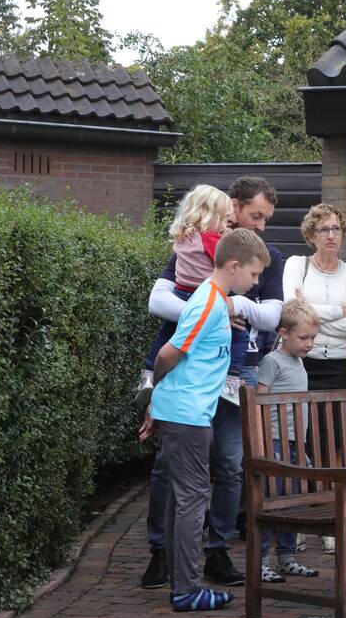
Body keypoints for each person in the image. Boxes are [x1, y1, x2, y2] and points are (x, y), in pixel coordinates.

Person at [140, 176, 284, 589]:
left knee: (230, 464)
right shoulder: (194, 249)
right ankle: (163, 554)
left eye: (266, 219)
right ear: (232, 208)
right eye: (254, 215)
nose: (260, 226)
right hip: (192, 379)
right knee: (172, 470)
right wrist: (215, 308)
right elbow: (157, 301)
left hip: (237, 373)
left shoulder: (265, 255)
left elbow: (273, 314)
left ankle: (216, 553)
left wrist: (235, 302)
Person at [282, 202, 346, 554]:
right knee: (298, 445)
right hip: (303, 367)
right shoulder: (296, 266)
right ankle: (299, 522)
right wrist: (338, 313)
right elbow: (293, 312)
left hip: (339, 368)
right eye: (324, 230)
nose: (331, 235)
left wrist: (313, 314)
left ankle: (331, 523)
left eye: (337, 229)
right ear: (310, 235)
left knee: (332, 447)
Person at [136, 184, 244, 410]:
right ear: (209, 215)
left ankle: (147, 375)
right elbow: (227, 259)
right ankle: (231, 380)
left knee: (167, 332)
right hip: (203, 295)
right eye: (223, 219)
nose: (225, 226)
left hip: (181, 292)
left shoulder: (184, 234)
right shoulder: (211, 239)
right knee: (239, 334)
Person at [255, 298, 322, 582]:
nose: (309, 344)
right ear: (283, 333)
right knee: (271, 502)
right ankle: (261, 562)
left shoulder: (298, 362)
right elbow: (258, 400)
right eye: (303, 337)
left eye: (313, 338)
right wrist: (261, 445)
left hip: (295, 444)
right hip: (275, 442)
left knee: (293, 503)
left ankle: (287, 558)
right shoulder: (272, 361)